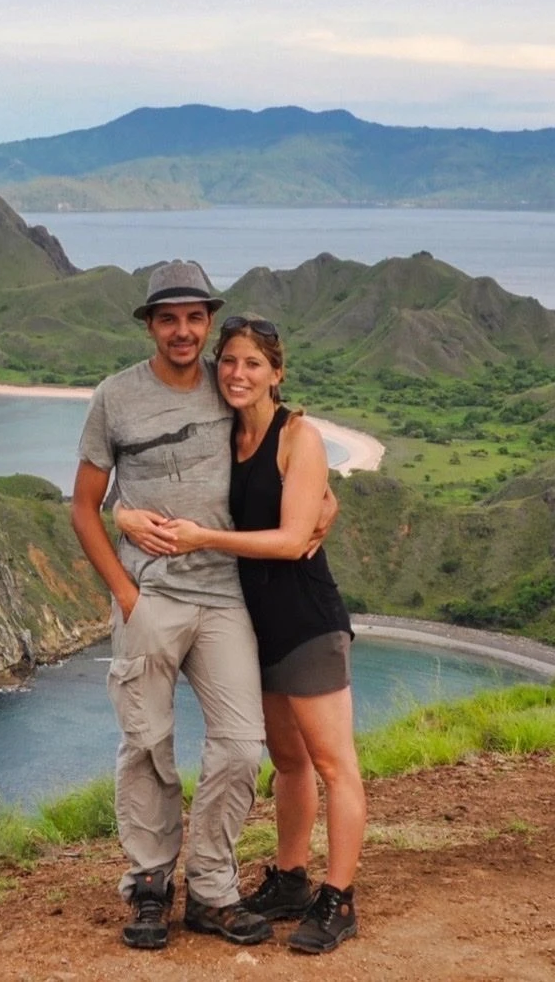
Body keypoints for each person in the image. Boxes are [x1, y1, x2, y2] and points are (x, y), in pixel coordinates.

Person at [69, 261, 276, 950]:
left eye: (194, 317)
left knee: (243, 745)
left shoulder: (231, 387)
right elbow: (83, 506)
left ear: (209, 323)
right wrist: (126, 592)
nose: (183, 330)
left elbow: (284, 444)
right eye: (169, 318)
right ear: (151, 325)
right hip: (151, 595)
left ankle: (213, 887)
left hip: (224, 596)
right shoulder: (115, 397)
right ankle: (151, 883)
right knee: (147, 744)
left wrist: (323, 503)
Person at [151, 314, 362, 955]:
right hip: (254, 627)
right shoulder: (225, 433)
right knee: (289, 762)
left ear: (278, 373)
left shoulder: (299, 436)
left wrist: (203, 538)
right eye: (230, 361)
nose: (238, 374)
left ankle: (339, 899)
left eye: (253, 364)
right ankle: (293, 879)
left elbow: (296, 539)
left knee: (334, 765)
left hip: (306, 624)